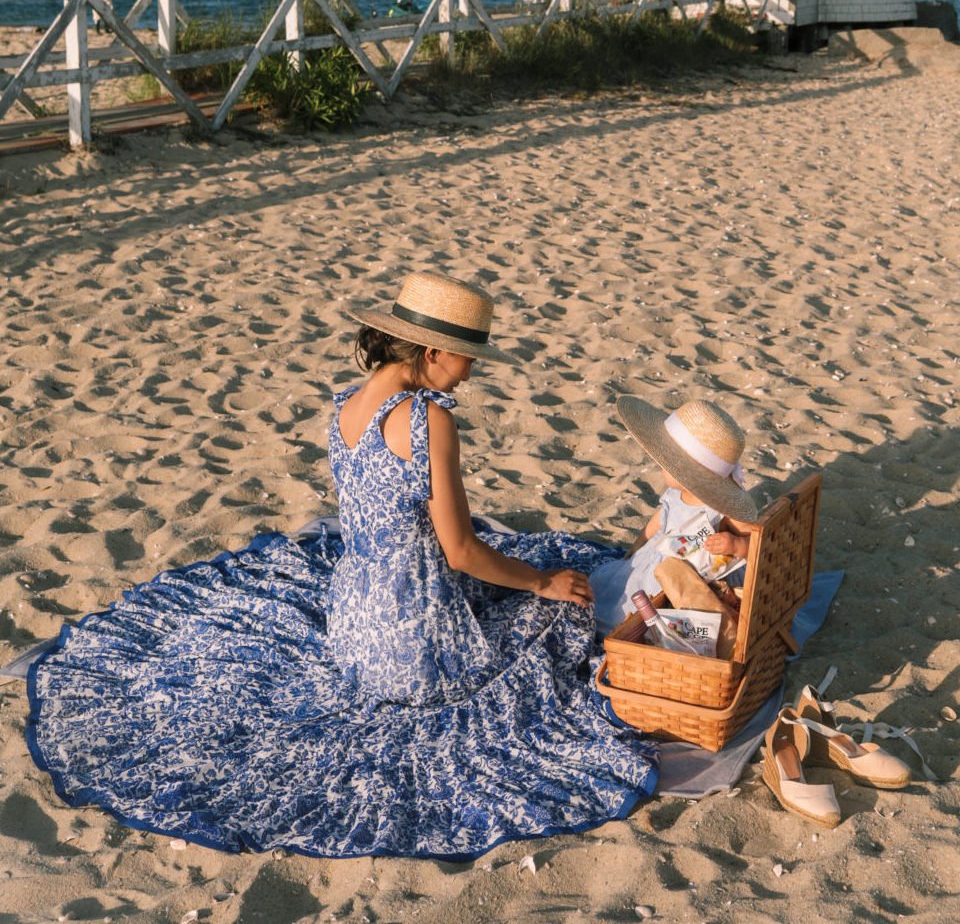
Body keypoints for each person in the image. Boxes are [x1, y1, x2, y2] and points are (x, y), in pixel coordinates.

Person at [23, 271, 656, 860]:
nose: (469, 374)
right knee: (558, 611)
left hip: (353, 620)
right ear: (433, 352)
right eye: (467, 359)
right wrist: (543, 584)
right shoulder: (427, 419)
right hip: (415, 641)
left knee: (521, 576)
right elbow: (460, 549)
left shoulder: (347, 404)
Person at [590, 396, 756, 635]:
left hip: (689, 579)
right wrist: (639, 542)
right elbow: (660, 518)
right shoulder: (674, 493)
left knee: (633, 615)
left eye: (667, 463)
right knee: (614, 587)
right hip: (657, 560)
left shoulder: (720, 506)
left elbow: (760, 543)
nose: (661, 466)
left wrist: (737, 544)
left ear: (689, 473)